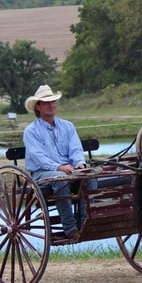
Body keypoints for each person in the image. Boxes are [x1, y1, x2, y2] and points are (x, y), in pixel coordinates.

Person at [22, 84, 96, 239]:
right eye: (47, 102)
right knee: (60, 178)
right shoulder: (31, 131)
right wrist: (59, 167)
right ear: (38, 106)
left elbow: (76, 149)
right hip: (42, 175)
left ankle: (86, 221)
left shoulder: (67, 126)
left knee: (90, 176)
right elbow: (40, 158)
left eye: (53, 101)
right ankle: (70, 228)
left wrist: (80, 164)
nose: (51, 105)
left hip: (69, 171)